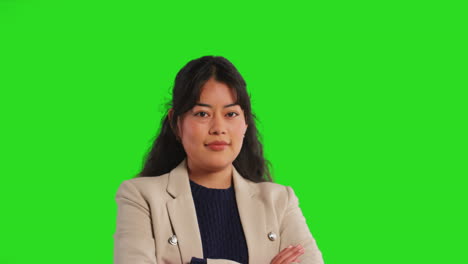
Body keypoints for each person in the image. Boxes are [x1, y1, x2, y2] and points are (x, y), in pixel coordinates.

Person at [113, 56, 324, 264]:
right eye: (202, 114)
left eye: (231, 114)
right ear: (176, 123)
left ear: (246, 123)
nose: (218, 128)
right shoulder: (140, 197)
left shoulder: (280, 201)